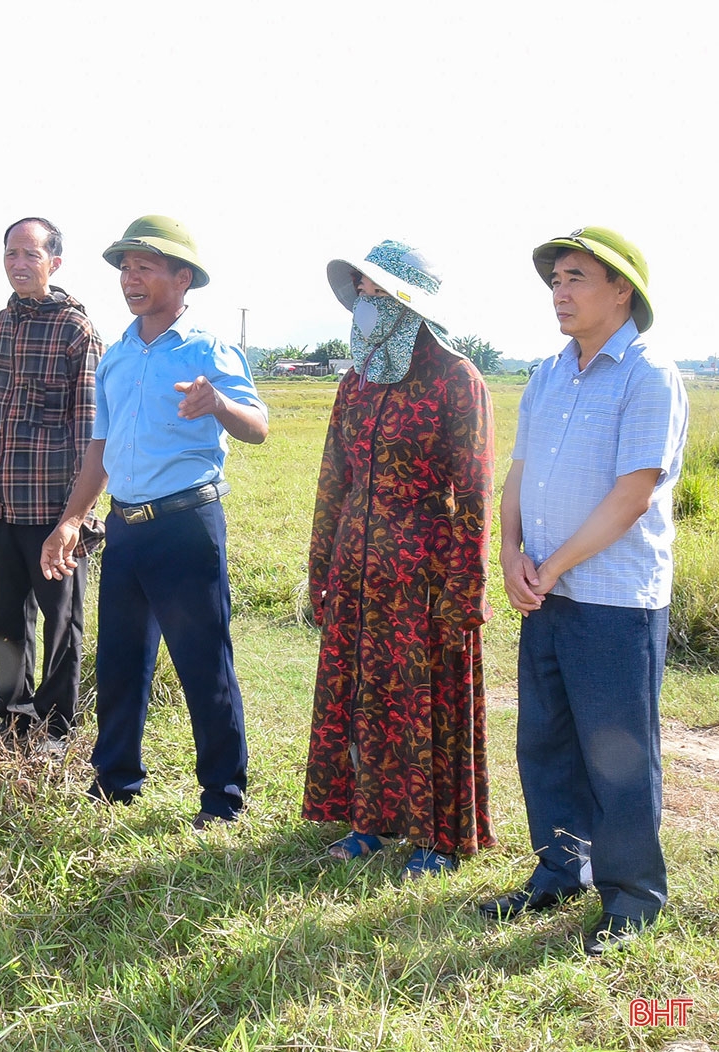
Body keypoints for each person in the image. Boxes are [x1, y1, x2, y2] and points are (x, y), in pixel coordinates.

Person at [480, 227, 688, 956]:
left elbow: (634, 492)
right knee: (548, 742)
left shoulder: (648, 374)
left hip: (613, 599)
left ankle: (633, 897)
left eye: (575, 279)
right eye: (555, 282)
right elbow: (520, 472)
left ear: (621, 289)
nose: (560, 294)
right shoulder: (548, 373)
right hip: (547, 590)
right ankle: (562, 870)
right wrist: (508, 552)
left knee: (618, 752)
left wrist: (556, 561)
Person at [41, 215, 268, 829]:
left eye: (144, 266)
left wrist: (217, 402)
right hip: (126, 529)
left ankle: (223, 798)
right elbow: (101, 448)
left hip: (186, 525)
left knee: (202, 662)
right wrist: (72, 519)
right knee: (119, 661)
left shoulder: (209, 348)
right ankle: (114, 782)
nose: (130, 278)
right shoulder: (114, 357)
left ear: (181, 276)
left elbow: (258, 426)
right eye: (123, 268)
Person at [301, 240, 496, 880]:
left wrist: (465, 591)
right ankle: (369, 822)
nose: (364, 303)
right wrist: (320, 571)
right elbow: (334, 480)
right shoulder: (355, 383)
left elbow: (471, 489)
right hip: (358, 570)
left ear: (409, 303)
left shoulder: (454, 377)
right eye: (361, 291)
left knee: (427, 698)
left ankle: (437, 838)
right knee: (365, 694)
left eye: (377, 293)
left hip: (426, 572)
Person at [0, 217, 104, 752]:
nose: (19, 264)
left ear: (54, 264)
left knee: (62, 617)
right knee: (6, 616)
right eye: (11, 254)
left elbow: (92, 430)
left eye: (31, 255)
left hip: (53, 507)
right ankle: (14, 716)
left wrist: (77, 517)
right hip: (0, 502)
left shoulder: (75, 332)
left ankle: (58, 725)